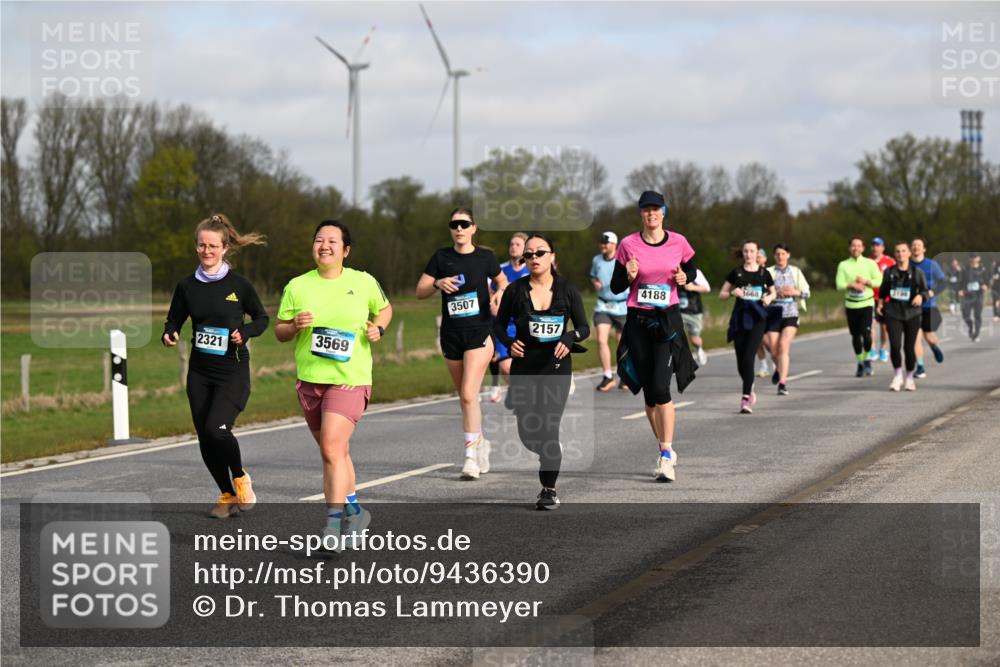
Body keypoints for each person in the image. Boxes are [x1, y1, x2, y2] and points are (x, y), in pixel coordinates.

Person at [275, 220, 392, 547]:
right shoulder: (297, 286)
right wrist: (295, 325)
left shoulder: (363, 281)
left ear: (346, 250)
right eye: (318, 240)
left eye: (332, 241)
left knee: (330, 447)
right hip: (311, 381)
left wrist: (378, 329)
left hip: (350, 379)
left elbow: (385, 310)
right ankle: (356, 512)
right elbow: (280, 330)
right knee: (336, 452)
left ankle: (333, 525)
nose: (324, 246)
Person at [163, 213, 269, 519]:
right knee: (205, 436)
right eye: (201, 246)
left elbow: (262, 319)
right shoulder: (187, 286)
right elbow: (174, 318)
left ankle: (240, 477)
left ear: (224, 248)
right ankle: (226, 494)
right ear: (196, 247)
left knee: (217, 429)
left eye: (212, 246)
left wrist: (245, 332)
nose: (206, 251)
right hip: (199, 372)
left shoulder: (240, 285)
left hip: (232, 371)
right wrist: (169, 333)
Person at [494, 234, 589, 509]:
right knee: (528, 433)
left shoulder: (567, 290)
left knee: (548, 427)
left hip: (556, 368)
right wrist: (510, 343)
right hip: (524, 368)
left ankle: (548, 489)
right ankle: (550, 452)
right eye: (529, 254)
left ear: (552, 257)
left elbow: (584, 328)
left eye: (539, 253)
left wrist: (570, 337)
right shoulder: (515, 290)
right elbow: (498, 326)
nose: (533, 258)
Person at [610, 190, 698, 481]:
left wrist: (685, 278)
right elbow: (615, 286)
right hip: (638, 320)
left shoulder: (678, 241)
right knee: (649, 396)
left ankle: (666, 454)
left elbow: (692, 270)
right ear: (641, 214)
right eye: (646, 210)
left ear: (663, 212)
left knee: (662, 388)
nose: (651, 214)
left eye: (656, 209)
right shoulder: (627, 245)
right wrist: (629, 276)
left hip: (667, 319)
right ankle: (664, 448)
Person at [416, 207, 507, 480]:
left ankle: (470, 457)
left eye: (464, 224)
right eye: (454, 224)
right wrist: (438, 284)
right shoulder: (441, 257)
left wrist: (499, 294)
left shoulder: (485, 257)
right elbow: (419, 291)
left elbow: (503, 283)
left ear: (473, 228)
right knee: (465, 398)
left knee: (469, 394)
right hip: (452, 334)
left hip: (479, 332)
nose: (459, 228)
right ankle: (482, 443)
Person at [720, 240, 778, 413]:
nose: (748, 254)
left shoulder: (764, 273)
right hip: (740, 318)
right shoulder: (736, 273)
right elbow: (721, 294)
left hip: (757, 319)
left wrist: (769, 298)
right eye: (746, 251)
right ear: (743, 253)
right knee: (740, 361)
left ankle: (746, 398)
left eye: (752, 251)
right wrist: (732, 293)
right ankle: (749, 384)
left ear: (757, 254)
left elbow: (773, 291)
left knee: (748, 357)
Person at [876, 241, 928, 392]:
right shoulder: (889, 272)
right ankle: (898, 375)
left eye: (904, 251)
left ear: (909, 253)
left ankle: (910, 377)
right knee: (895, 346)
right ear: (895, 254)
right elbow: (883, 292)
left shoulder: (917, 272)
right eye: (898, 251)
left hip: (912, 313)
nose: (901, 254)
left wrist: (920, 297)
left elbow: (925, 291)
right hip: (893, 313)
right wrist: (880, 305)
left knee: (908, 348)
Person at [488, 233, 529, 402]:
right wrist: (493, 306)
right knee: (505, 366)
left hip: (527, 325)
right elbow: (491, 292)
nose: (513, 247)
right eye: (511, 244)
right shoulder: (501, 269)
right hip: (505, 325)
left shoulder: (533, 269)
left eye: (518, 244)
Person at [765, 243, 810, 396]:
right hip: (773, 312)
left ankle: (782, 383)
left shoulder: (796, 272)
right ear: (774, 256)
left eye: (783, 254)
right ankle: (778, 367)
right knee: (773, 350)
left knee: (784, 346)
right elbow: (762, 293)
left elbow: (807, 292)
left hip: (791, 311)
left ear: (788, 255)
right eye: (777, 254)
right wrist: (776, 293)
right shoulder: (768, 272)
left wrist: (794, 291)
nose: (780, 257)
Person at [835, 235, 883, 378]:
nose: (856, 248)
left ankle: (867, 358)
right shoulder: (843, 265)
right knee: (856, 336)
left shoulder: (870, 263)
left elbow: (879, 281)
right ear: (850, 248)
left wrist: (866, 282)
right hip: (851, 305)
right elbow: (839, 285)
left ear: (863, 248)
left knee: (866, 334)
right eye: (853, 245)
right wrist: (851, 285)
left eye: (859, 245)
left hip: (867, 303)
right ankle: (860, 362)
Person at [590, 231, 629, 391]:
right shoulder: (596, 260)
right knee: (601, 340)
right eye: (601, 242)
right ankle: (608, 376)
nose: (603, 246)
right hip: (603, 305)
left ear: (614, 244)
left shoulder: (623, 260)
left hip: (622, 306)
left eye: (606, 243)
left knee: (622, 343)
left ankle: (625, 376)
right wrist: (595, 282)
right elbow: (592, 275)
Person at [911, 238, 946, 378]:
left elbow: (943, 283)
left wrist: (932, 292)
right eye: (913, 245)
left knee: (930, 337)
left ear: (924, 249)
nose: (916, 247)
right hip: (912, 307)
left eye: (919, 245)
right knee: (915, 338)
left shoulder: (932, 265)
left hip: (929, 306)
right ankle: (920, 367)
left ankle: (934, 346)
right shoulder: (906, 265)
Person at [869, 237, 896, 363]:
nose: (875, 248)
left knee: (884, 326)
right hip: (870, 297)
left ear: (883, 248)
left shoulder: (889, 261)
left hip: (886, 298)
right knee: (871, 324)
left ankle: (883, 348)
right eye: (873, 245)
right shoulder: (867, 261)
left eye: (878, 245)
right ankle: (872, 348)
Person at [679, 268, 710, 367]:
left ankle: (699, 348)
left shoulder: (695, 272)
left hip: (693, 310)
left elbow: (707, 288)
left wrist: (692, 287)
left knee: (694, 339)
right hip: (677, 310)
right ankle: (678, 363)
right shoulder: (670, 268)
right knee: (676, 337)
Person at [958, 253, 990, 342]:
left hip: (978, 295)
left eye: (975, 257)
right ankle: (970, 326)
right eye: (971, 257)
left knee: (977, 315)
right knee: (965, 315)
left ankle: (976, 334)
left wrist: (986, 286)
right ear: (969, 258)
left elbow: (987, 281)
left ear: (979, 258)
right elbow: (960, 281)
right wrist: (960, 290)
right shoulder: (965, 269)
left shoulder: (983, 269)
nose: (973, 258)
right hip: (967, 296)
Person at [754, 247, 774, 378]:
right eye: (756, 256)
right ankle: (763, 365)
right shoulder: (748, 272)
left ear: (765, 259)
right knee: (756, 341)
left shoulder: (767, 273)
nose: (757, 259)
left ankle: (777, 361)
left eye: (760, 257)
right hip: (752, 310)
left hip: (767, 310)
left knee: (767, 341)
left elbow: (773, 291)